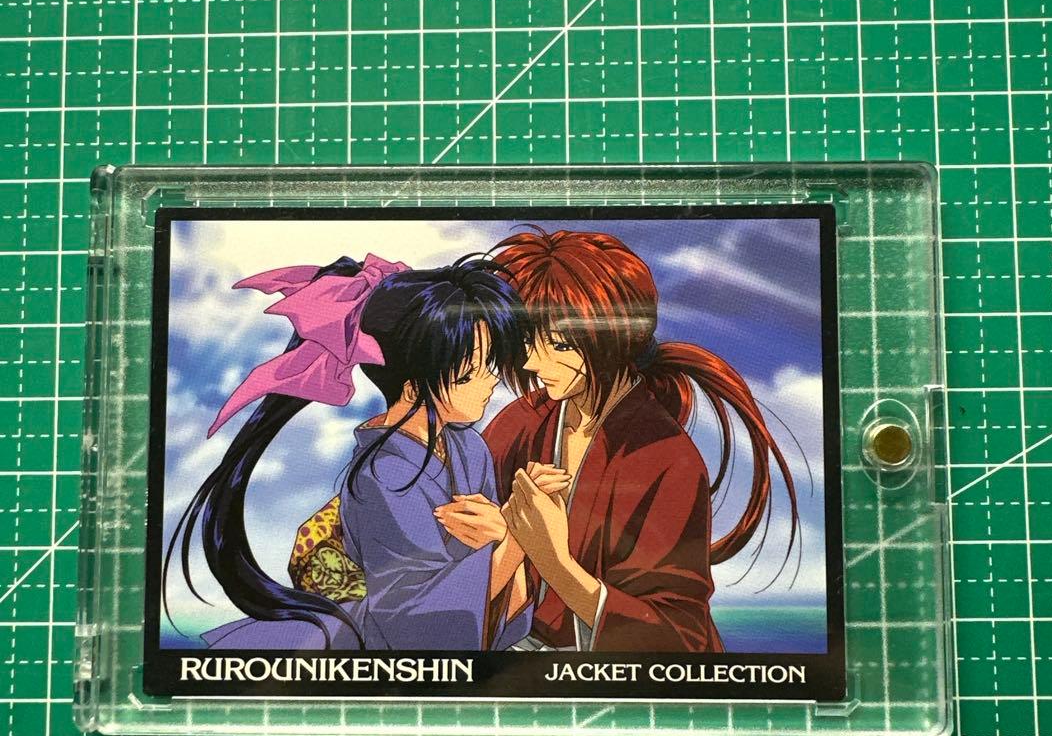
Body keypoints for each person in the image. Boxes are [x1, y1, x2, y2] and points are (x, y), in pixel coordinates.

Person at [436, 228, 798, 653]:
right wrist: (503, 536)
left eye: (558, 344)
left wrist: (553, 560)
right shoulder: (521, 421)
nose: (532, 361)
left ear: (612, 338)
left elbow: (678, 639)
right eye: (526, 340)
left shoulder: (667, 459)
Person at [164, 254, 539, 651]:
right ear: (413, 387)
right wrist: (516, 538)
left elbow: (496, 609)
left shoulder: (470, 449)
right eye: (468, 373)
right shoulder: (385, 474)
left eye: (490, 364)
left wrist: (509, 538)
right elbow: (413, 627)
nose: (491, 381)